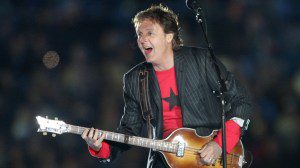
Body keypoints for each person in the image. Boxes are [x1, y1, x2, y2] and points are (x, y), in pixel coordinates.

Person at [81, 4, 252, 168]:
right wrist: (99, 147)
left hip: (209, 158)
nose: (142, 39)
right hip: (163, 161)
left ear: (169, 36)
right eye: (139, 34)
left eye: (149, 33)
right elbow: (129, 132)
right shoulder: (135, 79)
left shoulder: (201, 60)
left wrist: (220, 144)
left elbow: (240, 101)